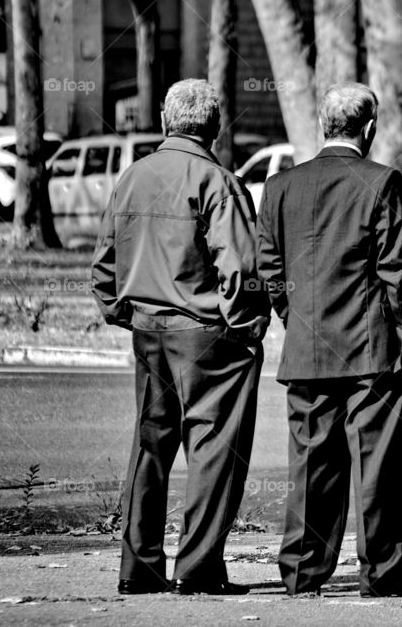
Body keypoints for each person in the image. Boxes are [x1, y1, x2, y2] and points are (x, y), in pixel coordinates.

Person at [256, 82, 402, 598]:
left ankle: (301, 572)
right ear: (371, 128)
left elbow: (270, 270)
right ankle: (381, 572)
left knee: (310, 464)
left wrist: (296, 320)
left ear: (322, 125)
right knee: (376, 463)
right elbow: (399, 273)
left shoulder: (280, 186)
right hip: (370, 347)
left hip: (308, 345)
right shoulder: (381, 181)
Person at [91, 79, 269, 595]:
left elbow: (104, 263)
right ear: (213, 128)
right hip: (207, 333)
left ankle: (139, 568)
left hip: (148, 329)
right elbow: (239, 269)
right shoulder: (218, 181)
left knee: (150, 445)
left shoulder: (133, 177)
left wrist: (121, 310)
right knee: (214, 450)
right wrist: (248, 327)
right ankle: (198, 567)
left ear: (168, 122)